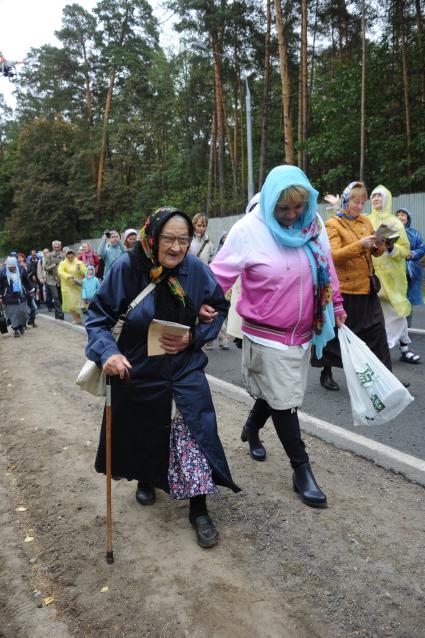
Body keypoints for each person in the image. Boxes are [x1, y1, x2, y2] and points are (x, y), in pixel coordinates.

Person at [85, 207, 239, 548]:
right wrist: (108, 353)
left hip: (184, 368)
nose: (176, 248)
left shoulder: (195, 269)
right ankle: (146, 477)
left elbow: (219, 308)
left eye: (184, 240)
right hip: (139, 367)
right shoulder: (128, 267)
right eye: (169, 239)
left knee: (196, 432)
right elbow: (97, 318)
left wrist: (195, 336)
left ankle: (199, 508)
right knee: (145, 428)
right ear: (152, 237)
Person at [209, 165, 346, 508]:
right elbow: (217, 277)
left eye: (297, 207)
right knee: (285, 401)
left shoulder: (312, 227)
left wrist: (338, 305)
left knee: (282, 394)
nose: (291, 215)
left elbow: (326, 267)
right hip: (266, 334)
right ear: (269, 202)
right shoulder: (249, 230)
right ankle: (302, 471)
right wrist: (197, 308)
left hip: (305, 331)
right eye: (283, 209)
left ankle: (252, 427)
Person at [311, 182, 391, 390]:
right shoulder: (333, 224)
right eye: (356, 202)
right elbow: (333, 257)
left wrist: (379, 246)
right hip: (346, 291)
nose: (360, 206)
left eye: (363, 202)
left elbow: (374, 252)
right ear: (347, 200)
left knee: (377, 332)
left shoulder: (365, 221)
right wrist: (359, 245)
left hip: (367, 287)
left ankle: (386, 378)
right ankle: (326, 371)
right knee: (339, 336)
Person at [369, 186, 420, 363]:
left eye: (379, 196)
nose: (376, 199)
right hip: (372, 276)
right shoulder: (366, 220)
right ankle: (398, 349)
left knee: (397, 311)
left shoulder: (396, 224)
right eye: (373, 195)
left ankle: (391, 348)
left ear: (387, 199)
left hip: (393, 278)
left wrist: (391, 247)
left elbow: (406, 250)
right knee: (379, 315)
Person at [396, 208, 425, 334]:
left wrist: (412, 253)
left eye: (403, 215)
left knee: (408, 302)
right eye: (398, 215)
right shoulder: (391, 231)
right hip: (395, 271)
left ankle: (407, 331)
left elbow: (422, 247)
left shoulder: (415, 233)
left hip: (411, 272)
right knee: (394, 301)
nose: (401, 217)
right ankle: (394, 331)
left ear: (408, 218)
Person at [0, 256, 32, 337]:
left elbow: (26, 280)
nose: (13, 268)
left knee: (23, 313)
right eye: (11, 267)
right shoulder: (2, 272)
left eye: (14, 267)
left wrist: (31, 290)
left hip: (21, 295)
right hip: (9, 297)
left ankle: (21, 326)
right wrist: (0, 296)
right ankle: (16, 330)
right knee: (13, 314)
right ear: (8, 266)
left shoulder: (21, 269)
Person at [58, 249, 85, 324]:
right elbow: (60, 272)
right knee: (70, 303)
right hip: (66, 286)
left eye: (71, 257)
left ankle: (78, 318)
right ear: (66, 256)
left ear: (74, 256)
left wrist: (81, 271)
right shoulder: (62, 263)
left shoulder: (79, 262)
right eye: (68, 257)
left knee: (76, 303)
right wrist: (68, 276)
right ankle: (74, 318)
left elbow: (84, 272)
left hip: (76, 285)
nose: (70, 258)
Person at [44, 241, 65, 319]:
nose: (56, 249)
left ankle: (57, 312)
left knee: (60, 297)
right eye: (55, 247)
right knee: (55, 296)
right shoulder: (49, 255)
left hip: (60, 279)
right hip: (51, 279)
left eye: (58, 247)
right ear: (52, 248)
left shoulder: (63, 255)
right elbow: (45, 268)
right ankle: (60, 313)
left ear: (60, 246)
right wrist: (52, 266)